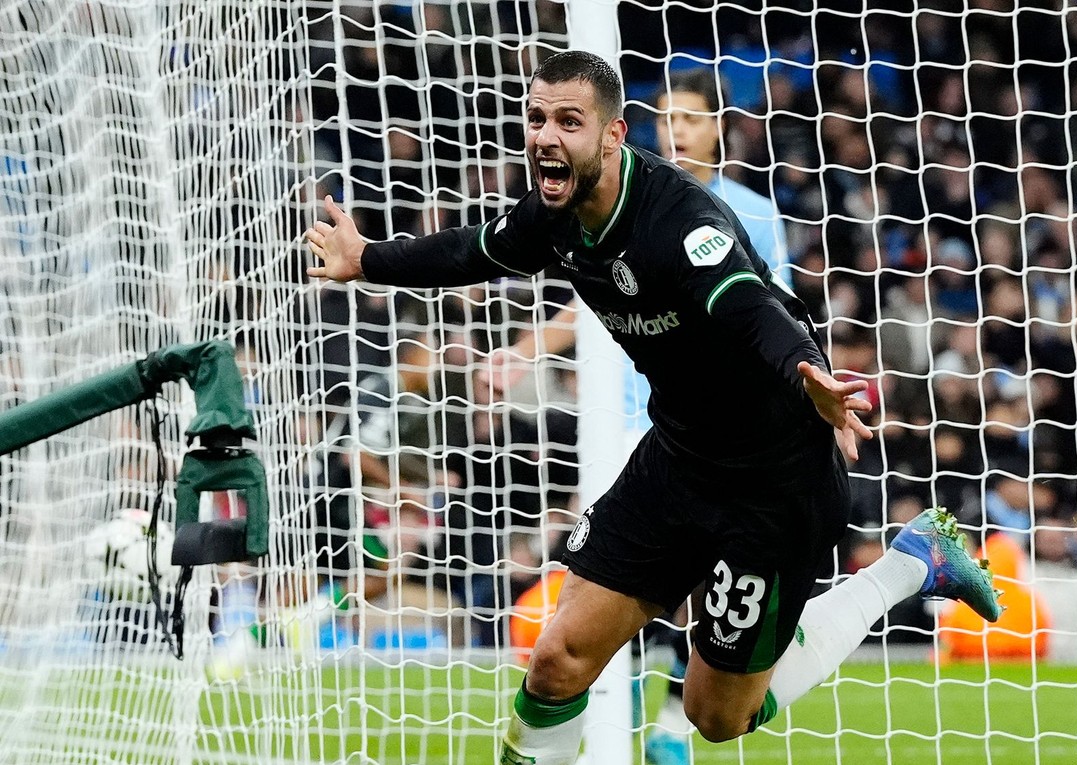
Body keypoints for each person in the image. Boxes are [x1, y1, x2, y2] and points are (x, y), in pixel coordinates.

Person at [305, 50, 1001, 764]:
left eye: (568, 121)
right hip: (677, 457)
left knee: (717, 715)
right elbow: (472, 251)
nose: (546, 135)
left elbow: (751, 306)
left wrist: (811, 377)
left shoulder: (680, 221)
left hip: (772, 482)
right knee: (557, 659)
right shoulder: (555, 215)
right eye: (537, 118)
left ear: (613, 134)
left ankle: (910, 563)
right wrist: (369, 260)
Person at [475, 68, 791, 764]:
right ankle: (627, 713)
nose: (677, 129)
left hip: (723, 434)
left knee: (707, 590)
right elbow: (577, 298)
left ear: (718, 130)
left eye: (692, 118)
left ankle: (675, 719)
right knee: (617, 590)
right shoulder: (610, 200)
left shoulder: (751, 213)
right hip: (622, 419)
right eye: (667, 118)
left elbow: (765, 310)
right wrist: (521, 353)